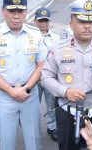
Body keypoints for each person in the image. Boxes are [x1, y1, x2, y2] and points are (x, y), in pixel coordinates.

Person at [41, 0, 92, 150]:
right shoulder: (57, 47)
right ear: (71, 24)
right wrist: (65, 91)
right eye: (82, 22)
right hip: (67, 114)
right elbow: (45, 78)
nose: (87, 26)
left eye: (91, 22)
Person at [0, 0, 46, 150]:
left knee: (33, 141)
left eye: (20, 11)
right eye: (11, 11)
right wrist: (11, 91)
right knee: (7, 142)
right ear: (3, 11)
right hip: (5, 96)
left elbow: (41, 66)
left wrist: (26, 88)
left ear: (26, 12)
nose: (16, 16)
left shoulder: (36, 35)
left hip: (30, 94)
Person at [34, 7, 60, 141]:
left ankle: (52, 127)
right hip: (33, 78)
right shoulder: (30, 36)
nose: (43, 23)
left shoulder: (56, 38)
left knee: (51, 104)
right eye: (40, 20)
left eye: (46, 20)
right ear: (35, 21)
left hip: (49, 77)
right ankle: (32, 128)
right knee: (32, 104)